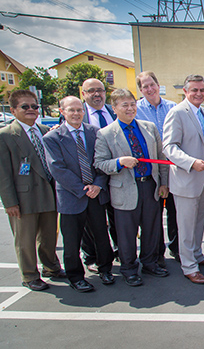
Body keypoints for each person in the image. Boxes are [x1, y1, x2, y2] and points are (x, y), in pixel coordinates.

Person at [94, 88, 170, 287]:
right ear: (114, 108)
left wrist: (163, 183)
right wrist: (120, 162)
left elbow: (160, 158)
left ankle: (150, 263)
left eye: (132, 104)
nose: (130, 108)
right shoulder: (105, 134)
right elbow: (100, 163)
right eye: (124, 105)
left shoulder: (149, 127)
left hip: (150, 186)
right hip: (125, 189)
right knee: (126, 234)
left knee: (152, 229)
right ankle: (129, 268)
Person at [44, 96, 116, 292]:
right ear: (62, 112)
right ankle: (76, 277)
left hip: (96, 194)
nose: (76, 114)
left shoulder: (95, 133)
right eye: (71, 110)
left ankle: (106, 269)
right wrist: (82, 189)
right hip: (71, 197)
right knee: (72, 241)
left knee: (102, 235)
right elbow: (57, 169)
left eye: (79, 110)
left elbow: (102, 161)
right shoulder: (52, 138)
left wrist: (98, 185)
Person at [0, 90, 65, 291]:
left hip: (48, 192)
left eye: (35, 106)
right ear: (12, 110)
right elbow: (2, 173)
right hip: (23, 196)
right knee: (25, 239)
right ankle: (29, 275)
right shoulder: (6, 135)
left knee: (48, 236)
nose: (31, 110)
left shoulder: (45, 130)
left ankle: (51, 267)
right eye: (25, 107)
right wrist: (9, 202)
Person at [162, 74, 204, 284]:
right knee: (185, 227)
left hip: (201, 179)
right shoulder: (177, 112)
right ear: (185, 91)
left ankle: (197, 255)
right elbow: (168, 147)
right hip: (186, 179)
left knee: (198, 222)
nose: (199, 93)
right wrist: (190, 162)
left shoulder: (201, 112)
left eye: (202, 90)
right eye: (194, 90)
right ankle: (189, 267)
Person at [135, 71, 178, 265]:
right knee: (152, 216)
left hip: (172, 169)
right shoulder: (135, 110)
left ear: (158, 85)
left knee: (174, 212)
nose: (150, 89)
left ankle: (177, 250)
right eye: (145, 86)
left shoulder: (173, 107)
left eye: (152, 84)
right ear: (140, 90)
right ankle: (156, 254)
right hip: (150, 170)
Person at [78, 78, 118, 273]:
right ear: (83, 94)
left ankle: (118, 250)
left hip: (116, 175)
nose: (96, 94)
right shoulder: (78, 114)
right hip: (91, 178)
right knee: (92, 221)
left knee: (117, 216)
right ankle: (92, 256)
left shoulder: (113, 112)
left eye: (100, 90)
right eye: (91, 91)